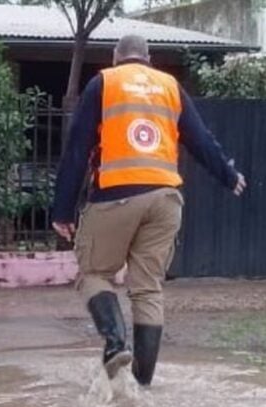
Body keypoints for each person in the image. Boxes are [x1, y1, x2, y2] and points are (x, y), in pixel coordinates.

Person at [51, 35, 246, 386]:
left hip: (115, 196)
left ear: (116, 57)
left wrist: (62, 210)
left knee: (94, 273)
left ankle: (114, 344)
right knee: (148, 288)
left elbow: (77, 147)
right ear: (148, 58)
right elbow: (200, 139)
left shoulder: (104, 83)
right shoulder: (170, 85)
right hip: (165, 198)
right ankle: (143, 385)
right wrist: (228, 175)